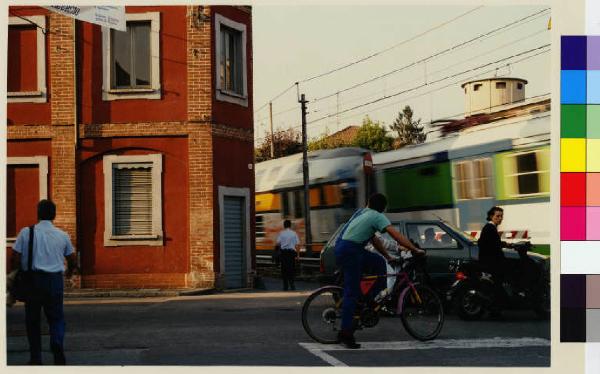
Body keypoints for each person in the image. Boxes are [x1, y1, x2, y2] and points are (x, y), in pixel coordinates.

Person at [334, 193, 424, 349]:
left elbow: (374, 239)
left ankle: (369, 300)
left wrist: (388, 257)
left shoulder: (361, 212)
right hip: (351, 251)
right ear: (383, 208)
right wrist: (414, 249)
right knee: (351, 292)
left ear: (369, 202)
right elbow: (396, 235)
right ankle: (346, 333)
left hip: (347, 247)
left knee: (379, 263)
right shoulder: (377, 216)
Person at [11, 200, 78, 365]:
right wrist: (69, 272)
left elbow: (15, 257)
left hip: (33, 281)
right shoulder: (62, 235)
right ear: (54, 215)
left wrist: (18, 274)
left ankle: (36, 357)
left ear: (38, 214)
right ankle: (56, 343)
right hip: (55, 281)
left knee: (32, 320)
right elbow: (72, 258)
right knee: (56, 318)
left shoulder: (26, 233)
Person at [477, 206, 511, 317]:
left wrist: (506, 244)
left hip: (489, 262)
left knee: (497, 284)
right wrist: (506, 245)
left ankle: (496, 308)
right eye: (498, 216)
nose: (500, 218)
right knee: (498, 284)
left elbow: (491, 243)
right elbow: (493, 245)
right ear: (491, 216)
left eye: (501, 216)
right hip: (491, 263)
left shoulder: (490, 228)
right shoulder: (490, 228)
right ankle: (495, 309)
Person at [276, 220, 300, 291]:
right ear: (290, 225)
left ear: (284, 225)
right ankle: (292, 286)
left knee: (284, 270)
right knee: (291, 269)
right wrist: (298, 255)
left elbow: (278, 243)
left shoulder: (281, 233)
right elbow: (297, 244)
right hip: (291, 254)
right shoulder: (294, 233)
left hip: (284, 254)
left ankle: (285, 287)